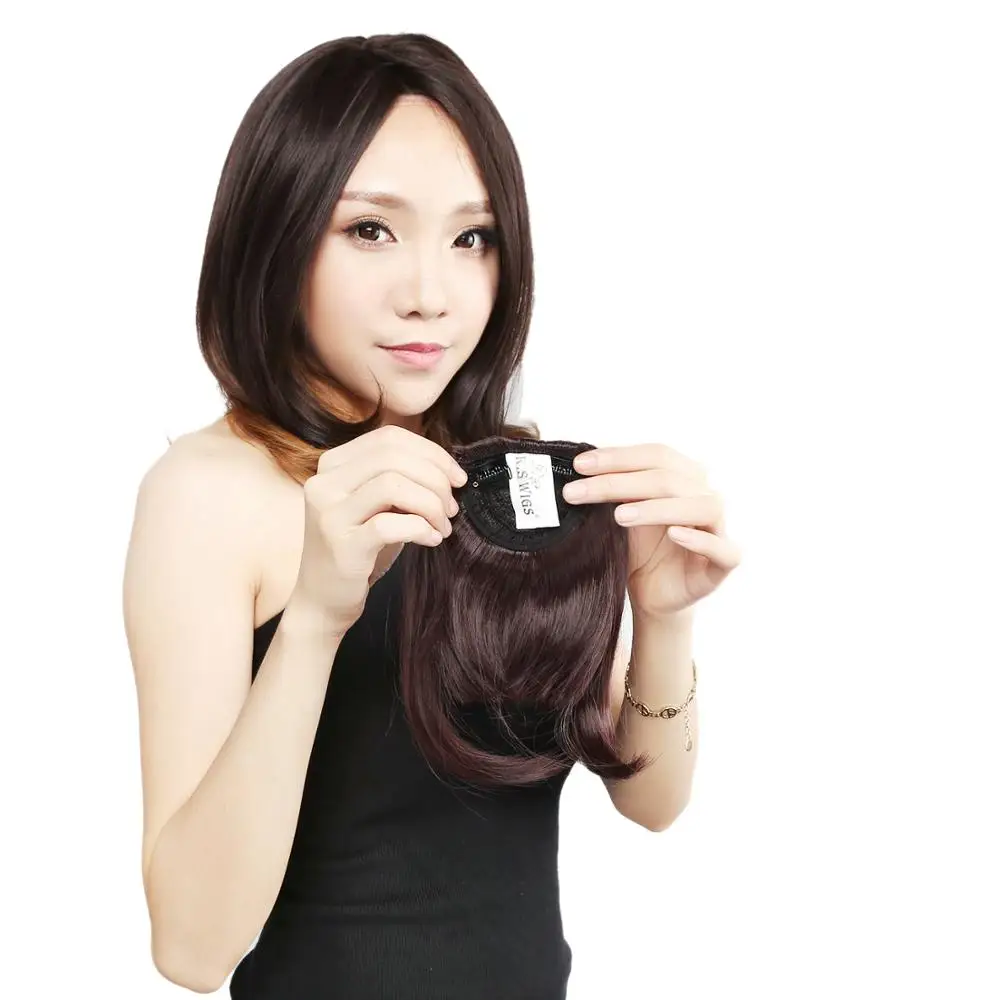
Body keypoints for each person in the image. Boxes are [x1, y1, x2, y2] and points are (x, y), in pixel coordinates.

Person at [123, 32, 741, 1000]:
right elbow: (192, 950)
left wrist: (663, 617)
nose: (429, 295)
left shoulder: (506, 480)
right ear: (278, 232)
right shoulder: (213, 491)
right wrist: (317, 617)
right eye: (370, 229)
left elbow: (653, 800)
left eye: (471, 237)